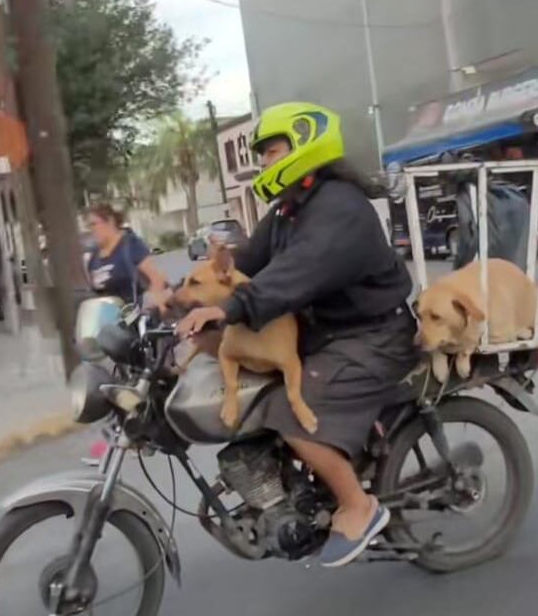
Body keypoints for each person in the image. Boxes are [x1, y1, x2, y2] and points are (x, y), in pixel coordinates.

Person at [176, 101, 420, 567]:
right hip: (329, 332)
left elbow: (291, 276)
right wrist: (188, 302)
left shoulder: (338, 208)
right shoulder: (291, 207)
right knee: (244, 377)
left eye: (271, 151)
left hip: (373, 336)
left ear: (305, 142)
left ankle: (358, 506)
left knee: (292, 410)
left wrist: (231, 308)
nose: (264, 162)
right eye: (262, 153)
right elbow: (248, 263)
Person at [85, 204, 169, 308]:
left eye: (94, 224)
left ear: (110, 222)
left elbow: (157, 279)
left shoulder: (130, 246)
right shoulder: (94, 256)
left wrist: (152, 303)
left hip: (131, 316)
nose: (91, 229)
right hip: (105, 319)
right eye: (89, 226)